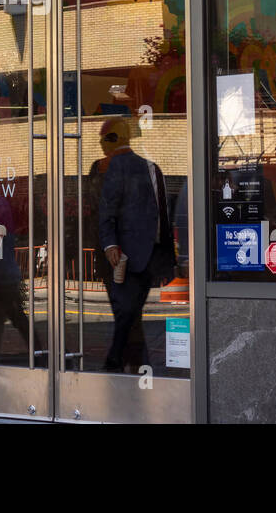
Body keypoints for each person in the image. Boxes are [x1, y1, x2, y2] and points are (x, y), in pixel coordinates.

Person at [97, 116, 174, 372]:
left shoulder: (113, 167)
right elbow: (162, 214)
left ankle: (118, 361)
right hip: (143, 255)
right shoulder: (150, 168)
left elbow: (106, 211)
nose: (100, 144)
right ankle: (132, 362)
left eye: (103, 138)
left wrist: (110, 245)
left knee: (128, 312)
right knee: (130, 313)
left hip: (124, 257)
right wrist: (167, 257)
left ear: (113, 139)